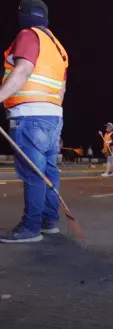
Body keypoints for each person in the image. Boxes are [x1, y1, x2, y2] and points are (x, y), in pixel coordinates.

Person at [0, 0, 68, 243]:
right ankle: (49, 222)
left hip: (29, 117)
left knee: (33, 173)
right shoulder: (58, 48)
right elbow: (61, 90)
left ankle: (31, 227)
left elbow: (23, 70)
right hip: (52, 117)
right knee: (49, 171)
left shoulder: (28, 35)